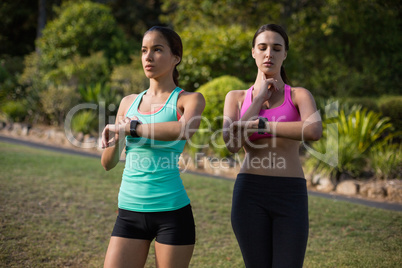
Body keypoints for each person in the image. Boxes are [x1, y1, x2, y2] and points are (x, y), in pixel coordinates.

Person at [100, 26, 205, 268]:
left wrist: (133, 128)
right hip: (128, 211)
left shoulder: (188, 99)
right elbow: (108, 164)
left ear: (176, 57)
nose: (148, 57)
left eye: (158, 50)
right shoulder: (129, 102)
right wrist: (116, 138)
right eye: (144, 50)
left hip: (172, 212)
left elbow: (183, 130)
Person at [223, 24, 322, 268]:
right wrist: (258, 100)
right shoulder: (236, 97)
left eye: (277, 48)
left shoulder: (299, 95)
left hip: (290, 193)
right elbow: (232, 143)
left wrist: (263, 125)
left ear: (285, 54)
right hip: (249, 194)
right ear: (253, 52)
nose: (269, 54)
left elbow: (312, 130)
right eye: (263, 47)